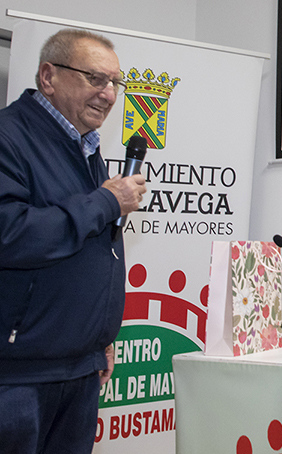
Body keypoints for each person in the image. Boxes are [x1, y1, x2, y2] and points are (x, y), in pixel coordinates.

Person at [0, 29, 146, 452]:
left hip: (80, 368)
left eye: (114, 83)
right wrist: (105, 201)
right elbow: (11, 233)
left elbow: (92, 248)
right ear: (49, 77)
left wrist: (98, 338)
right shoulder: (8, 137)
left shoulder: (84, 146)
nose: (109, 94)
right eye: (95, 78)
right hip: (18, 376)